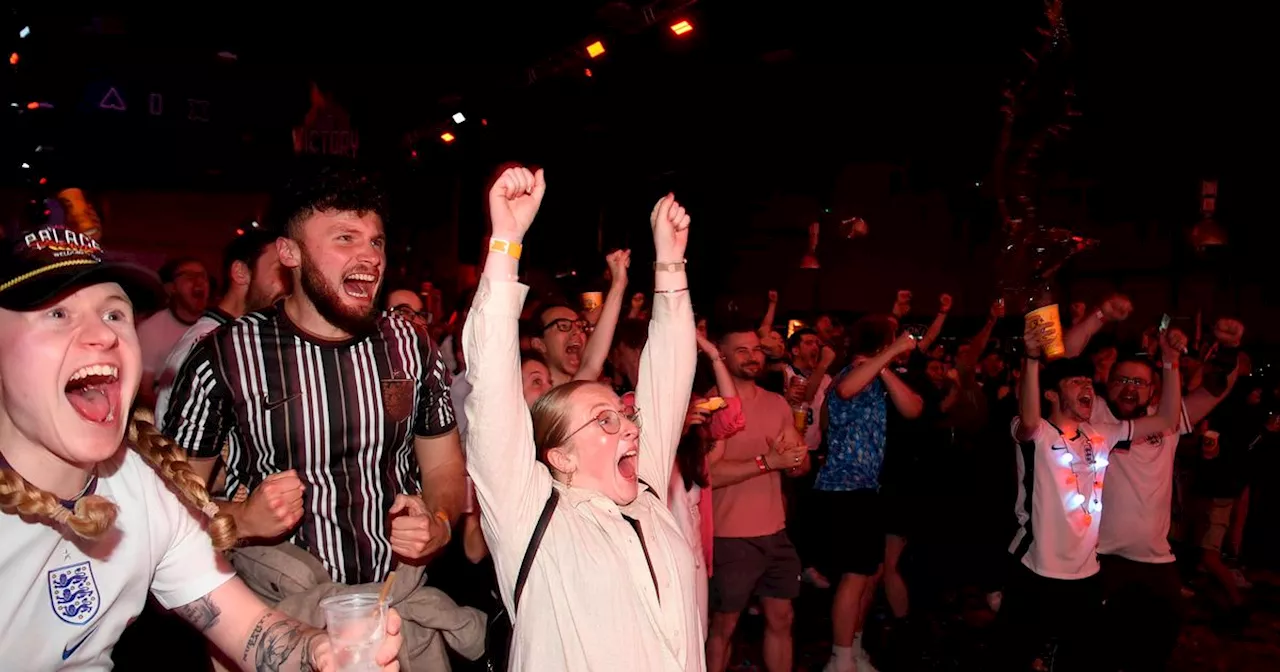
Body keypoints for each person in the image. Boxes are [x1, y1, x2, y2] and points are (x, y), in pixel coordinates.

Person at [0, 225, 402, 671]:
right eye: (57, 314)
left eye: (115, 315)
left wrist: (322, 653)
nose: (103, 335)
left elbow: (249, 629)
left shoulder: (140, 484)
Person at [164, 165, 464, 587]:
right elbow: (173, 504)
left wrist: (441, 522)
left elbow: (444, 466)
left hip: (395, 599)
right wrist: (243, 519)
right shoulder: (225, 354)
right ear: (290, 253)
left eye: (376, 241)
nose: (371, 256)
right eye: (346, 238)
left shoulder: (410, 344)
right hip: (279, 609)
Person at [465, 168, 704, 671]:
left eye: (623, 415)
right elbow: (489, 383)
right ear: (559, 455)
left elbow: (670, 375)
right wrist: (505, 242)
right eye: (604, 421)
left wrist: (671, 263)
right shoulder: (532, 517)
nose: (631, 427)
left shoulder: (648, 490)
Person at [999, 320, 1184, 671]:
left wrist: (1171, 362)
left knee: (1080, 658)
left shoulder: (1102, 434)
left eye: (1088, 381)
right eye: (1075, 381)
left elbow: (1166, 418)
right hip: (1037, 569)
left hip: (1086, 575)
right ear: (1052, 394)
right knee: (1015, 655)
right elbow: (1026, 416)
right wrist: (1032, 360)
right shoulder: (1037, 433)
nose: (1086, 386)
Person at [816, 317, 922, 672]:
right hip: (844, 488)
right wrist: (889, 354)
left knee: (868, 574)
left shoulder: (874, 374)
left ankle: (854, 650)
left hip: (865, 488)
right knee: (855, 575)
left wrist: (885, 367)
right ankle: (840, 658)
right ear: (883, 341)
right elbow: (846, 390)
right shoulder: (850, 373)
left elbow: (914, 408)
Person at [705, 320, 811, 672]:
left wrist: (797, 460)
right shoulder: (710, 407)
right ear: (720, 355)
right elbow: (707, 476)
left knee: (782, 619)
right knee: (723, 628)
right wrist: (767, 462)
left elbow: (797, 465)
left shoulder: (777, 403)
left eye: (755, 349)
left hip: (775, 533)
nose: (752, 357)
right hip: (730, 537)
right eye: (741, 351)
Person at [154, 229, 289, 425]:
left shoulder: (254, 336)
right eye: (281, 270)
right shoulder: (205, 343)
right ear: (241, 273)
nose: (291, 284)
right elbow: (172, 438)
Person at [136, 257, 210, 408]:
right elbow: (143, 392)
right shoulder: (151, 329)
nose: (199, 281)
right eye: (189, 276)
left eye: (203, 276)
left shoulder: (217, 326)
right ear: (171, 288)